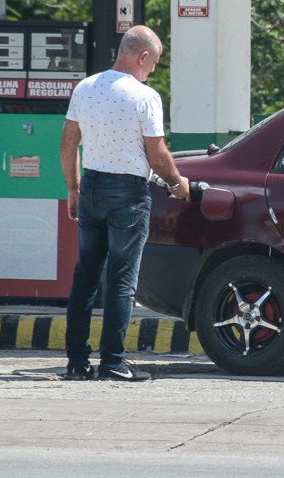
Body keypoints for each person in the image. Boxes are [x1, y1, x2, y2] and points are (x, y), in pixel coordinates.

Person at [59, 25, 189, 381]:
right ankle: (113, 362)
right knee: (121, 279)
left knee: (86, 276)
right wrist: (177, 184)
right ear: (143, 56)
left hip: (91, 187)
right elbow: (157, 155)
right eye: (154, 63)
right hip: (127, 195)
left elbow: (68, 143)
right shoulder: (144, 96)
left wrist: (73, 189)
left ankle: (76, 362)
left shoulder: (86, 87)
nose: (153, 70)